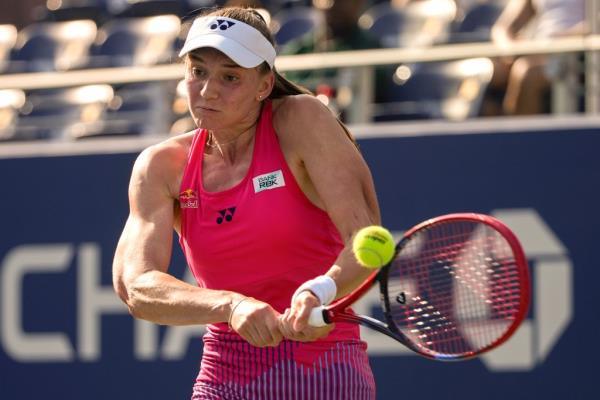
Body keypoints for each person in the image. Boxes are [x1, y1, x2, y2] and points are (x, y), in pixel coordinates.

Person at [112, 6, 380, 399]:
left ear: (264, 84)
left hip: (327, 373)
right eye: (198, 71)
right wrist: (231, 305)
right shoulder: (161, 166)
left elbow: (367, 241)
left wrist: (320, 292)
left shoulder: (302, 120)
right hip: (225, 378)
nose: (207, 91)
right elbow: (136, 287)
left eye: (230, 77)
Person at [486, 0, 586, 115]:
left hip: (580, 58)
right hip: (539, 52)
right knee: (490, 72)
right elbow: (502, 29)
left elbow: (595, 26)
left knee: (527, 72)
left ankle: (517, 132)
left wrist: (557, 41)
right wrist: (509, 50)